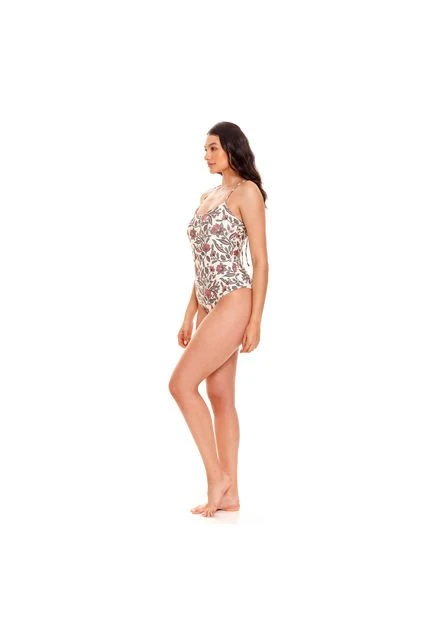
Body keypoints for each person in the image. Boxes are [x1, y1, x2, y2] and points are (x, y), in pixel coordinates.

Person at [168, 121, 269, 517]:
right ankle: (231, 494)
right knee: (220, 396)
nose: (206, 156)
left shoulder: (248, 193)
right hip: (208, 304)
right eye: (205, 149)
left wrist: (256, 319)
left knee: (180, 385)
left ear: (231, 148)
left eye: (213, 148)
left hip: (234, 299)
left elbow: (260, 261)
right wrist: (189, 315)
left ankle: (217, 478)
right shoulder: (207, 196)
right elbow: (203, 262)